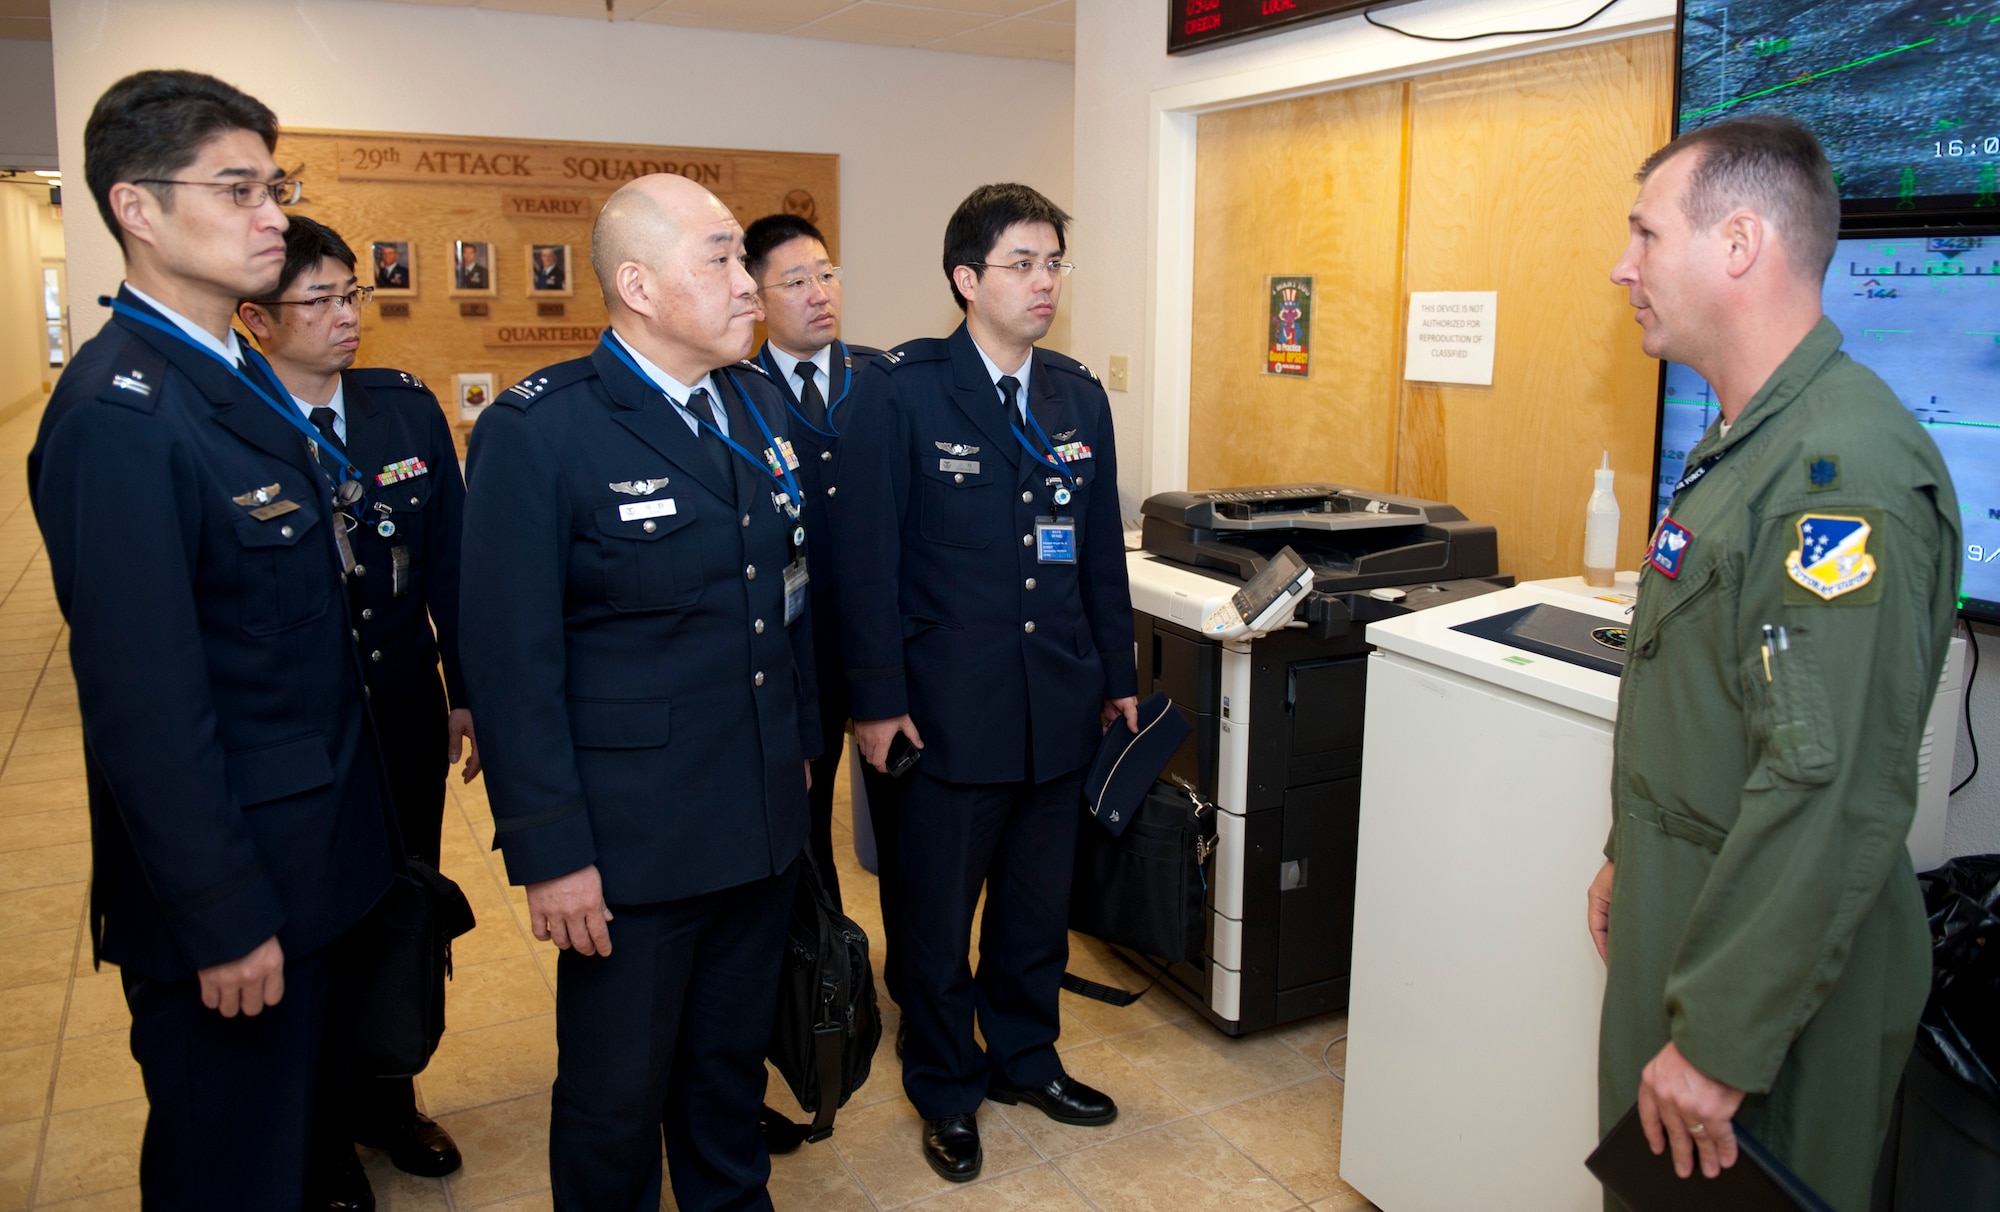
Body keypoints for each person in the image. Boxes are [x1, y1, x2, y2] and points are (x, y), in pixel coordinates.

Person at [28, 69, 394, 1209]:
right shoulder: (120, 415)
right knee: (228, 1169)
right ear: (136, 207)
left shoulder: (226, 374)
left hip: (311, 862)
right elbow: (146, 707)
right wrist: (221, 919)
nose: (272, 214)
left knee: (282, 1148)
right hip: (238, 902)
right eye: (237, 189)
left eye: (272, 186)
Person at [1592, 115, 1959, 1211]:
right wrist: (1630, 853)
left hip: (1768, 982)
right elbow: (1701, 690)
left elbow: (1825, 786)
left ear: (1737, 243)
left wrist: (1719, 1040)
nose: (1623, 268)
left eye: (1644, 236)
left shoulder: (1837, 478)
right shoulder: (1741, 446)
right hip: (1691, 916)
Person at [459, 173, 820, 1211]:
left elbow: (783, 600)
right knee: (617, 1099)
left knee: (724, 1070)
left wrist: (793, 745)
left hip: (754, 819)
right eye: (717, 257)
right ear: (638, 286)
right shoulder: (542, 429)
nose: (748, 283)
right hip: (630, 846)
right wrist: (551, 853)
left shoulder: (753, 404)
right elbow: (511, 662)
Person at [831, 182, 1138, 1183]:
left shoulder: (1075, 394)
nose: (1043, 281)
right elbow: (863, 560)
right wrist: (873, 701)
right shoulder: (900, 390)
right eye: (1021, 263)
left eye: (1053, 263)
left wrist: (1117, 676)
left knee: (1034, 909)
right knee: (932, 921)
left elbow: (1097, 555)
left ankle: (1024, 1057)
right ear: (966, 279)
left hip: (1055, 703)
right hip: (940, 714)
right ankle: (945, 1086)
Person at [237, 214, 476, 1208]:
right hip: (299, 735)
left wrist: (465, 690)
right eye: (320, 300)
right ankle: (321, 1130)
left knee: (399, 905)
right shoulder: (230, 420)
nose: (345, 318)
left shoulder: (399, 409)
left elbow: (455, 563)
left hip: (400, 714)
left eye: (352, 295)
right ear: (256, 319)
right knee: (318, 927)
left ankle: (389, 1096)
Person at [743, 212, 892, 912]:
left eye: (826, 274)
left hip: (887, 654)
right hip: (796, 658)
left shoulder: (886, 381)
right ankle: (827, 997)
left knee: (907, 834)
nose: (818, 292)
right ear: (756, 295)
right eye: (795, 280)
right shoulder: (738, 396)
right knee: (801, 835)